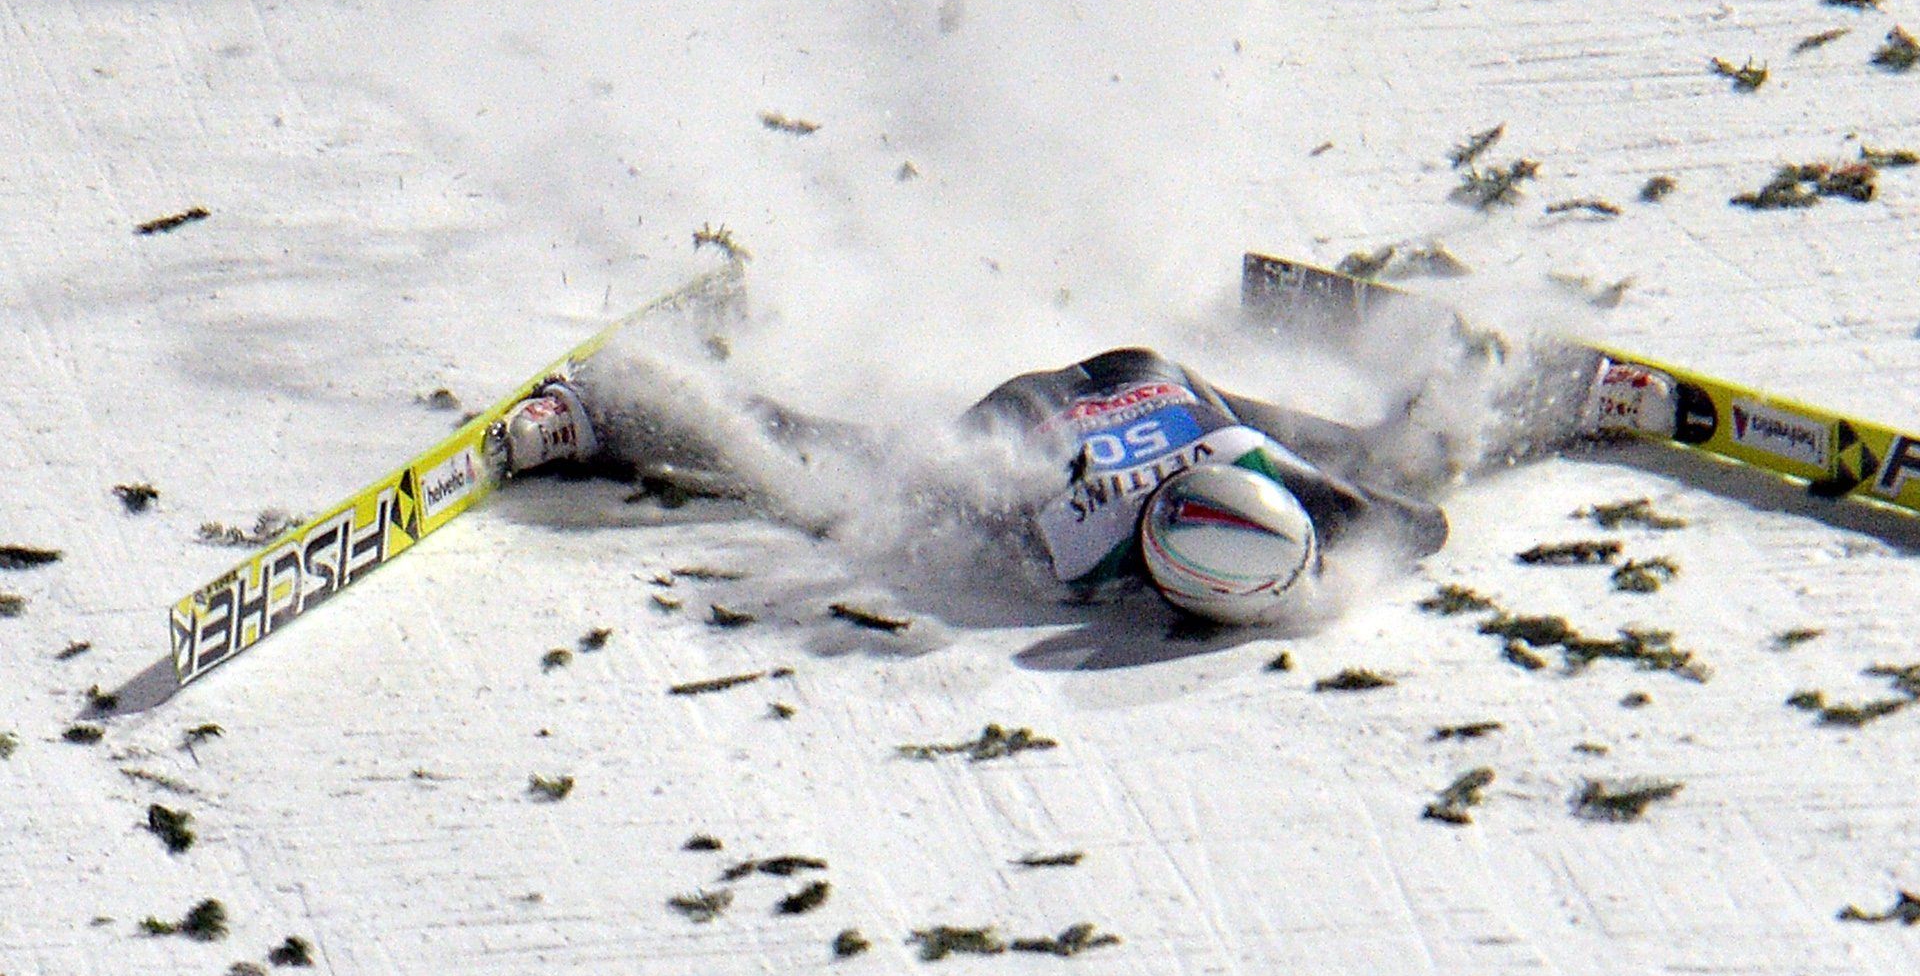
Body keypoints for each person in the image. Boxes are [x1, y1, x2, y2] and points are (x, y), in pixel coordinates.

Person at [498, 346, 1446, 623]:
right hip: (1029, 420)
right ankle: (614, 407)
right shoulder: (1072, 551)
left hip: (1151, 383)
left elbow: (1418, 525)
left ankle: (1444, 409)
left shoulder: (1266, 480)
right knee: (825, 474)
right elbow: (925, 528)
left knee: (1352, 452)